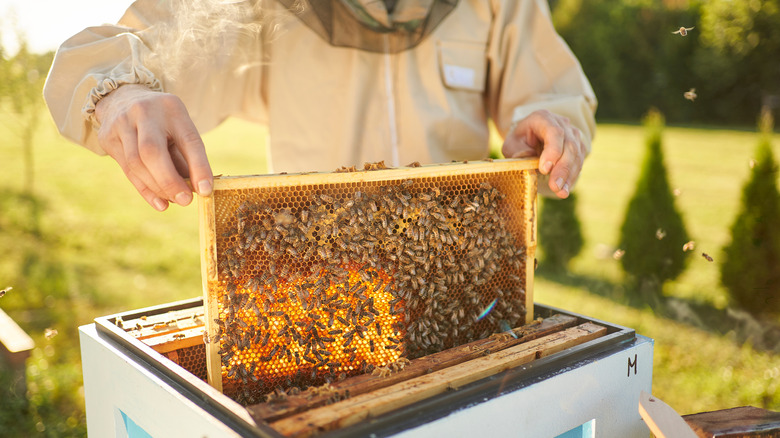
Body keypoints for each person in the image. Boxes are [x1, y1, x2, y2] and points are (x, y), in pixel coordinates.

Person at [43, 0, 596, 212]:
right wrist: (122, 92)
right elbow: (126, 48)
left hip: (462, 275)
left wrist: (551, 129)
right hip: (317, 274)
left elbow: (551, 90)